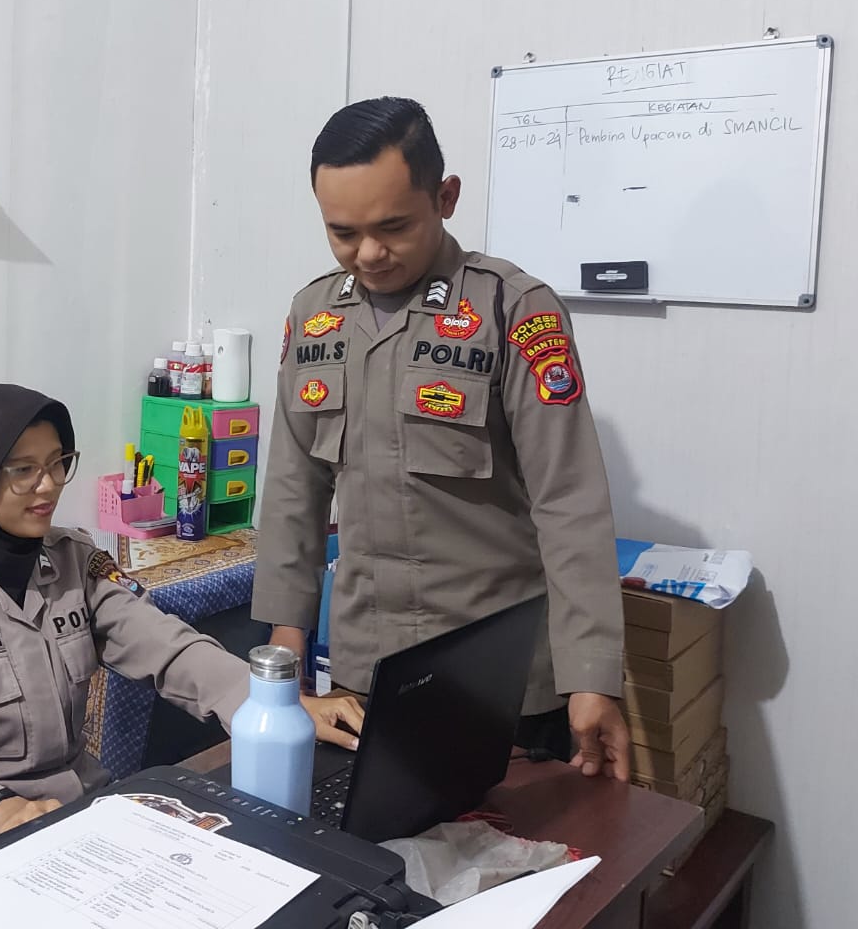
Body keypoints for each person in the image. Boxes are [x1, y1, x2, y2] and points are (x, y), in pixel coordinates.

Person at [252, 97, 631, 781]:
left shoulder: (513, 310)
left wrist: (590, 675)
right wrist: (286, 646)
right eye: (343, 233)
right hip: (368, 673)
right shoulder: (314, 315)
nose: (369, 254)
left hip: (501, 677)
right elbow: (292, 490)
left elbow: (569, 503)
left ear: (445, 197)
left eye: (393, 227)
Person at [0, 383, 366, 877]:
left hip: (77, 818)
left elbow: (169, 647)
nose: (48, 485)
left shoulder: (74, 562)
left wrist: (271, 707)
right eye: (23, 470)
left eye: (58, 462)